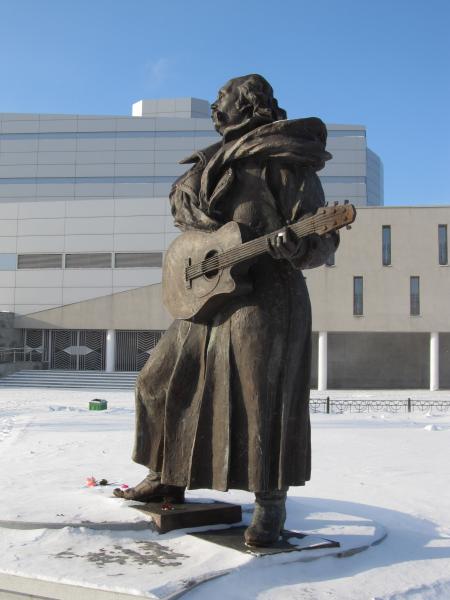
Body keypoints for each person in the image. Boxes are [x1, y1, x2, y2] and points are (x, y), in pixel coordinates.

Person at [114, 74, 338, 546]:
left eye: (223, 100)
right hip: (208, 292)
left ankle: (270, 506)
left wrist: (298, 245)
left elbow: (322, 239)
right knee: (159, 380)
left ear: (250, 105)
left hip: (266, 292)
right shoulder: (210, 162)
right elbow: (192, 224)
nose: (216, 108)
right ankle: (167, 473)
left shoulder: (285, 159)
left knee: (263, 399)